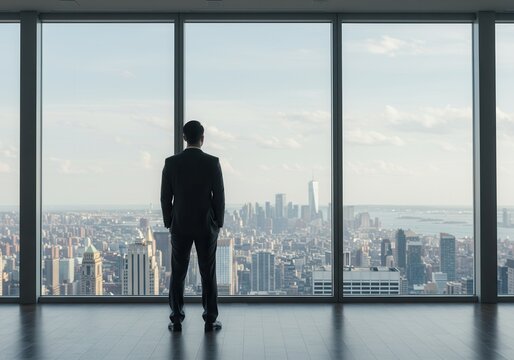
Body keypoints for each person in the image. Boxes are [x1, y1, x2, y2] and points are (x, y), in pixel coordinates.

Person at [160, 120, 225, 332]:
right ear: (202, 138)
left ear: (184, 138)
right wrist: (218, 222)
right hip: (206, 225)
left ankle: (176, 318)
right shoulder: (212, 162)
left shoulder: (171, 163)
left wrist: (169, 221)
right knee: (208, 273)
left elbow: (164, 198)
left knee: (178, 272)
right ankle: (210, 318)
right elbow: (219, 197)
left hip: (180, 225)